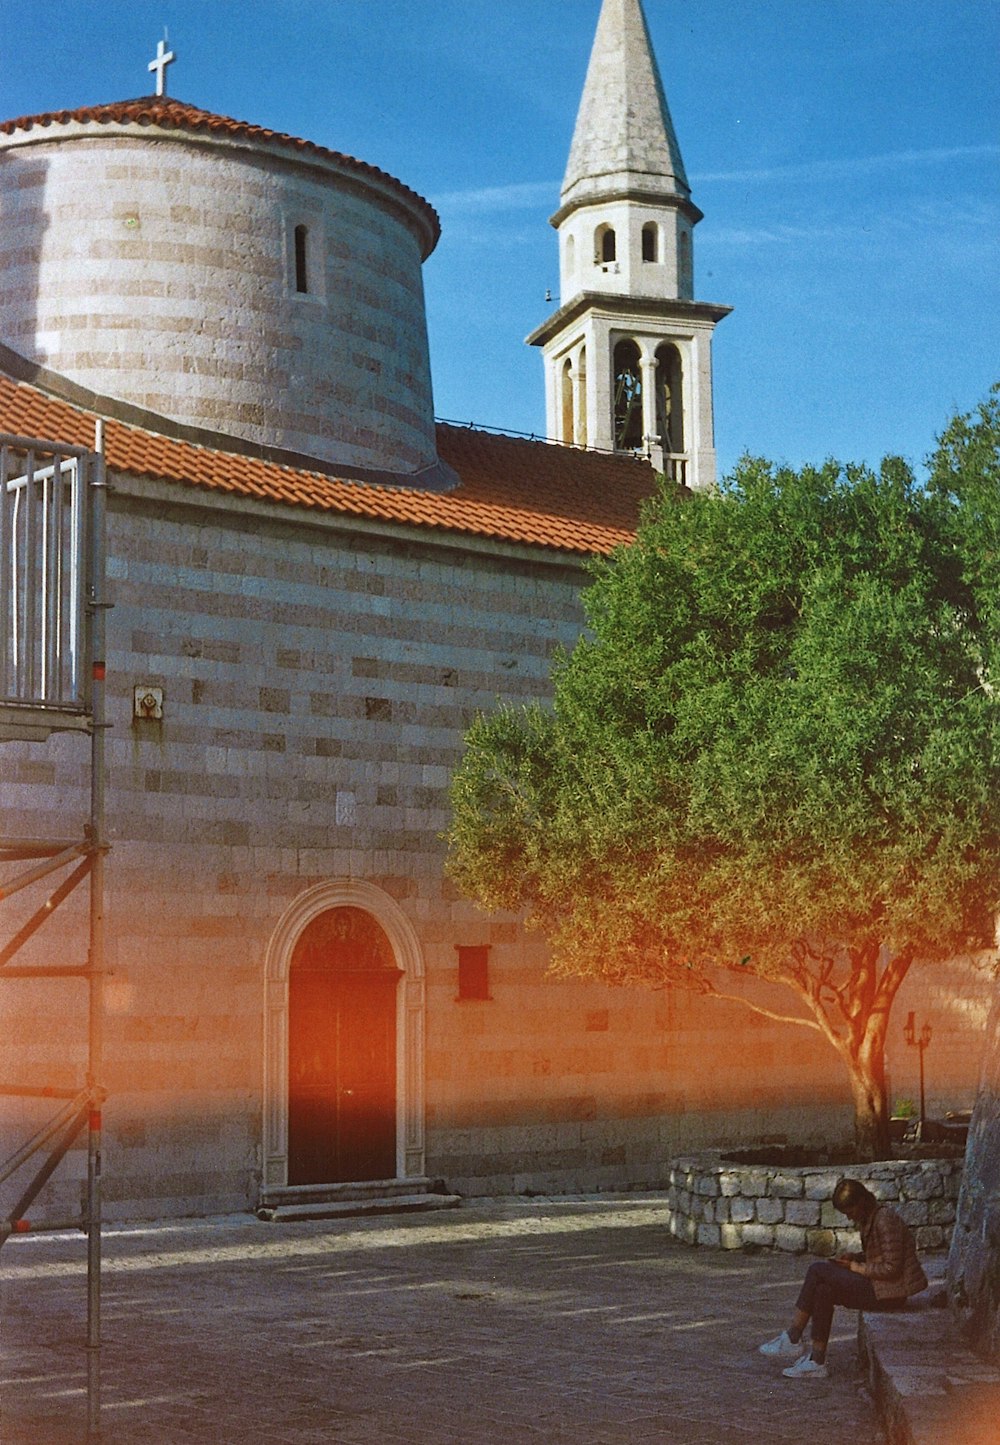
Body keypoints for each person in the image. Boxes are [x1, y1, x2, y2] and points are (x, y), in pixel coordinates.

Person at [758, 1177, 928, 1379]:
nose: (849, 1218)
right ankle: (816, 1360)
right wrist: (854, 1258)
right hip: (881, 1287)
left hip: (891, 1293)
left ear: (860, 1203)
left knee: (817, 1270)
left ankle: (793, 1336)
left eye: (849, 1212)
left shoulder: (884, 1219)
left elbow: (891, 1268)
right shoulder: (871, 1218)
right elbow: (879, 1256)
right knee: (823, 1290)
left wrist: (855, 1267)